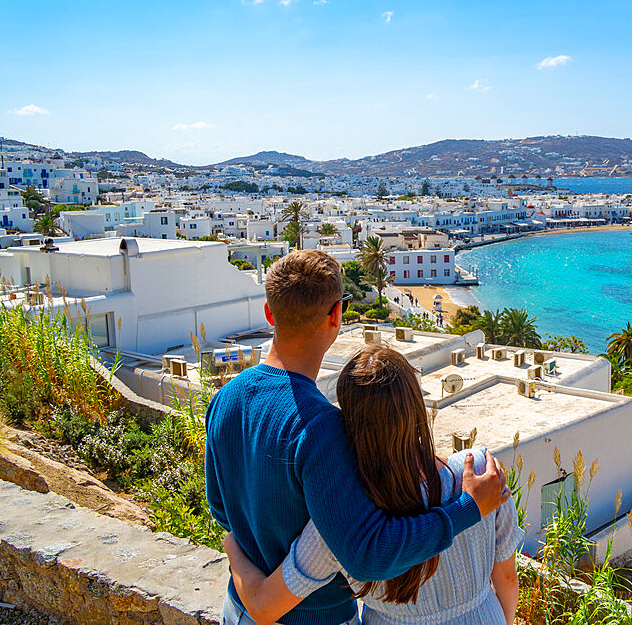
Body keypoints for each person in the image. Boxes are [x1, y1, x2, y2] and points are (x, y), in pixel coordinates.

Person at [205, 251, 509, 625]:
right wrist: (468, 509)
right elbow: (366, 556)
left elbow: (221, 509)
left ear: (269, 313)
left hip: (235, 610)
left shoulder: (224, 398)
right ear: (336, 315)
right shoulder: (323, 429)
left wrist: (246, 571)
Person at [223, 345, 524, 625]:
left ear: (348, 424)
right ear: (417, 407)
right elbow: (507, 579)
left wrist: (232, 547)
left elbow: (264, 606)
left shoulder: (343, 519)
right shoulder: (482, 473)